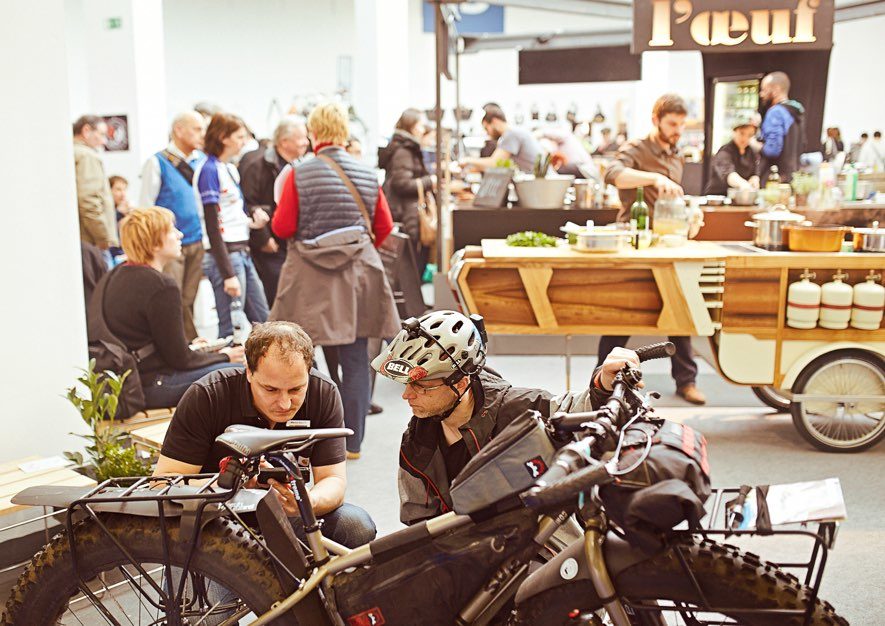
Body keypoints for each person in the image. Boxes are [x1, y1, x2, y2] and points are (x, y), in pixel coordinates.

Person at [371, 310, 640, 525]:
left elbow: (580, 411)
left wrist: (603, 382)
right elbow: (418, 521)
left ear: (461, 381)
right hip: (472, 559)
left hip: (539, 547)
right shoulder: (417, 444)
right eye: (407, 384)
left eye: (422, 385)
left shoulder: (522, 410)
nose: (407, 395)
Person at [154, 321, 376, 548]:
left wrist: (308, 501)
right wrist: (229, 487)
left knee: (356, 526)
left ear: (309, 373)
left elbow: (333, 480)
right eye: (270, 390)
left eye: (296, 389)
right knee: (240, 578)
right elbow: (163, 482)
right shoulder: (208, 395)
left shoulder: (323, 393)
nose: (285, 403)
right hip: (218, 517)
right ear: (249, 372)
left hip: (286, 513)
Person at [271, 101, 399, 459]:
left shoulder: (300, 173)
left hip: (312, 279)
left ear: (313, 132)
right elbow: (384, 226)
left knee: (310, 354)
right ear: (344, 131)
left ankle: (324, 437)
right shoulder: (366, 173)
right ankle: (353, 441)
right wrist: (354, 247)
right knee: (357, 356)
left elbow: (283, 226)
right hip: (357, 277)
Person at [601, 93, 705, 406]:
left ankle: (686, 381)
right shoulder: (637, 148)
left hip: (666, 241)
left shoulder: (677, 153)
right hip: (634, 241)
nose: (677, 130)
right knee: (622, 312)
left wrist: (691, 212)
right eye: (672, 123)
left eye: (681, 125)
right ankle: (611, 375)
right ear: (656, 120)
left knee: (679, 309)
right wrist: (653, 177)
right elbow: (613, 175)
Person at [99, 207, 244, 408]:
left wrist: (194, 346)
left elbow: (150, 339)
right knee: (239, 371)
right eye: (171, 230)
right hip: (152, 385)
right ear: (155, 242)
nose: (179, 235)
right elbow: (181, 360)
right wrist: (225, 355)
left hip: (127, 382)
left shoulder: (117, 274)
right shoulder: (161, 285)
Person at [194, 113, 270, 340]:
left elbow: (228, 214)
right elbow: (212, 224)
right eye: (239, 136)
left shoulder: (228, 168)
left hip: (241, 252)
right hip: (226, 256)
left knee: (263, 321)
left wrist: (251, 222)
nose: (243, 142)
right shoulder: (208, 170)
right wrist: (227, 273)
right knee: (230, 329)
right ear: (223, 137)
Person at [139, 111, 208, 341]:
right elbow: (146, 207)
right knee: (173, 297)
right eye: (197, 129)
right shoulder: (157, 162)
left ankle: (187, 342)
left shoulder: (201, 163)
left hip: (197, 240)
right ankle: (182, 343)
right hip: (169, 244)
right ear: (179, 130)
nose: (202, 135)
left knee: (189, 298)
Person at [239, 116, 310, 307]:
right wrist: (263, 238)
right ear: (284, 141)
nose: (306, 142)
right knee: (276, 296)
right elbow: (248, 203)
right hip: (269, 244)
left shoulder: (302, 165)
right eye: (301, 138)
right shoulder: (258, 165)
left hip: (292, 243)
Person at [378, 108, 436, 276]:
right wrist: (429, 181)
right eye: (420, 125)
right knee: (410, 266)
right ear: (411, 126)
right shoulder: (404, 151)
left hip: (406, 213)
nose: (423, 129)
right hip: (405, 214)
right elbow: (401, 183)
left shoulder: (407, 149)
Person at [73, 115, 118, 263]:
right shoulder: (87, 156)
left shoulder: (70, 152)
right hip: (91, 241)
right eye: (102, 134)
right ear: (86, 130)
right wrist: (103, 237)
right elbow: (89, 200)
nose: (104, 141)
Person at [461, 105, 542, 173]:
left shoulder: (511, 134)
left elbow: (494, 164)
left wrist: (468, 160)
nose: (487, 133)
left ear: (494, 122)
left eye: (486, 128)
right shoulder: (514, 132)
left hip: (540, 186)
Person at [758, 71, 805, 182]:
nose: (761, 94)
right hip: (793, 178)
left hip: (774, 181)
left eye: (764, 89)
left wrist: (751, 142)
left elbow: (772, 150)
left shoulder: (775, 112)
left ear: (776, 89)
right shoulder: (797, 112)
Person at [704, 115, 761, 196]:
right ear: (734, 131)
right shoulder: (725, 151)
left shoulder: (751, 152)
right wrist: (744, 184)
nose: (745, 138)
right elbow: (729, 174)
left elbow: (755, 173)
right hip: (718, 198)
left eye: (749, 135)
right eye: (742, 133)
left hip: (741, 199)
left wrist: (754, 179)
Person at [537, 126, 602, 183]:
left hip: (585, 169)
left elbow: (544, 133)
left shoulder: (566, 135)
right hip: (585, 171)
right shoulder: (564, 144)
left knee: (557, 170)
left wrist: (534, 135)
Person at [108, 175, 130, 262]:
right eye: (118, 189)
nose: (123, 194)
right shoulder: (106, 211)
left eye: (125, 190)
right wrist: (118, 213)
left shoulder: (126, 211)